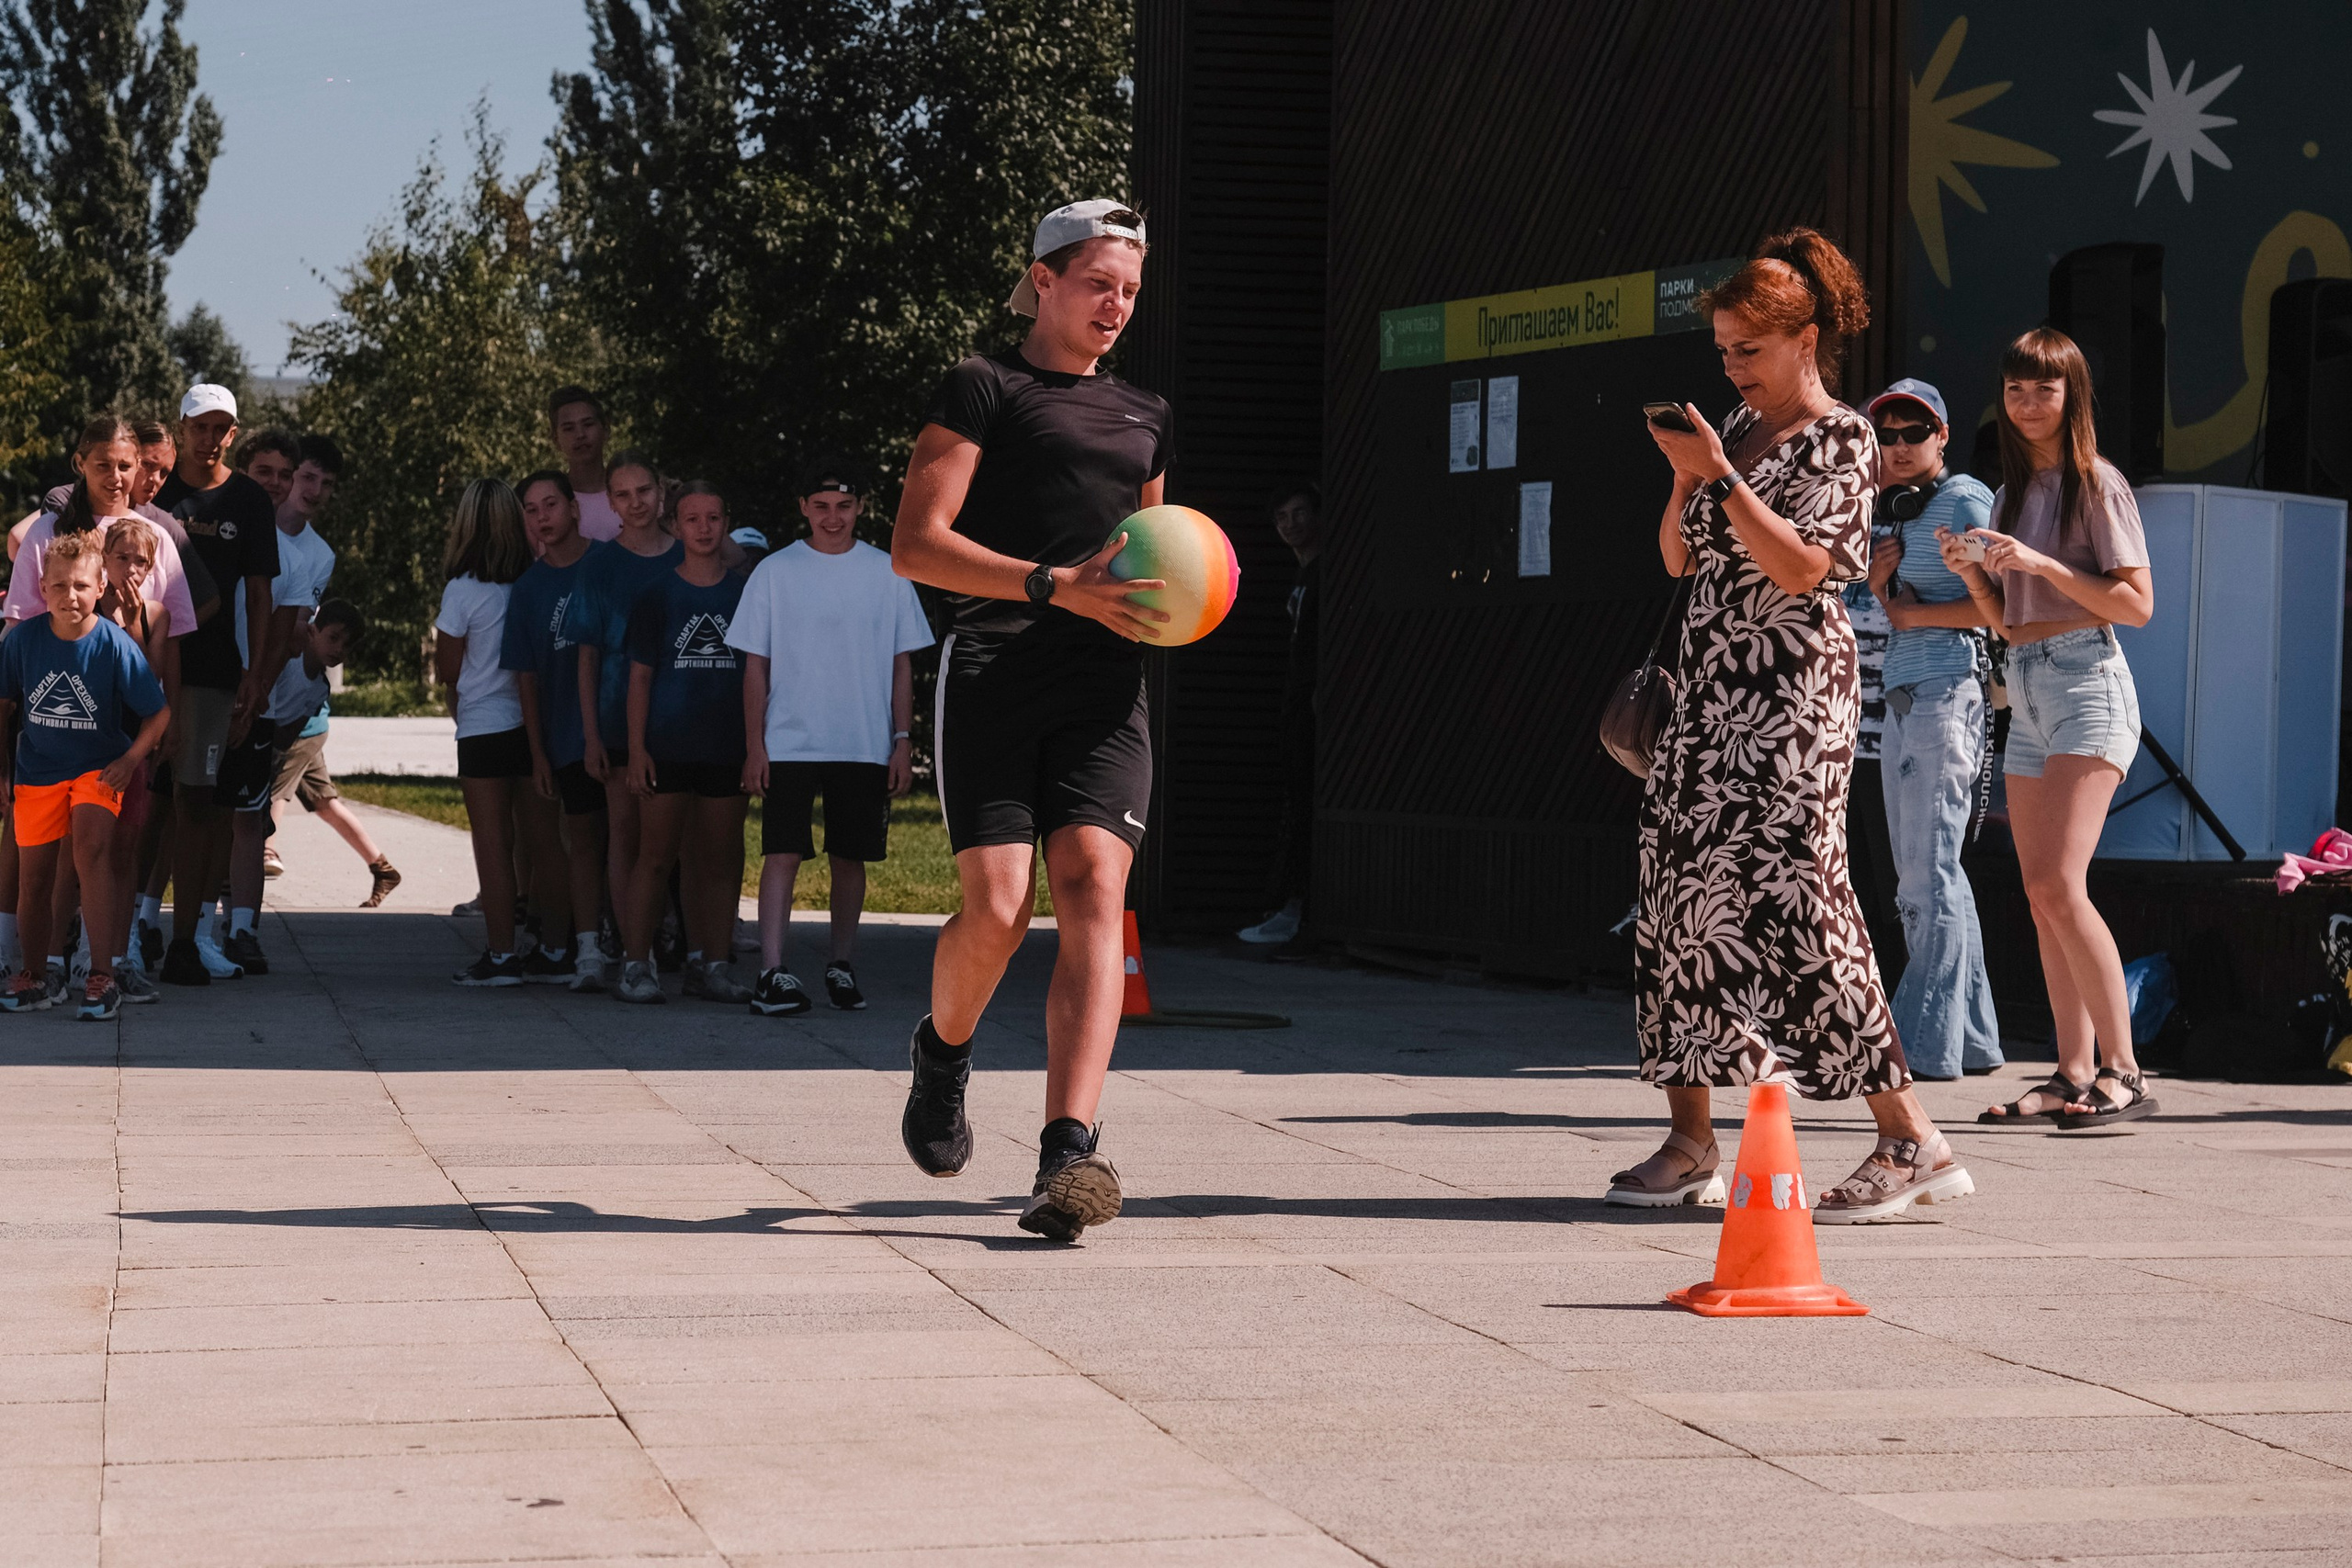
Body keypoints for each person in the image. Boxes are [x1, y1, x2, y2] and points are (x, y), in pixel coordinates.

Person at [1618, 227, 1973, 1224]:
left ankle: (1911, 1138)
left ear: (1803, 338)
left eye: (1748, 349)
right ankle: (1690, 1140)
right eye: (1724, 348)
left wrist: (1722, 480)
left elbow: (1808, 568)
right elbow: (1677, 562)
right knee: (1677, 903)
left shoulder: (1843, 437)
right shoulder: (1732, 424)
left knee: (1802, 904)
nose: (1732, 367)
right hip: (1703, 697)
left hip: (1787, 703)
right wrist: (1687, 473)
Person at [890, 198, 1173, 1243]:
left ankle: (1068, 1154)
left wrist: (1176, 600)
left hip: (1105, 681)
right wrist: (1053, 585)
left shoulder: (1145, 409)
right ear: (1043, 279)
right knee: (1001, 912)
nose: (1117, 305)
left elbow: (1153, 547)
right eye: (1100, 282)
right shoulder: (983, 386)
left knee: (1098, 886)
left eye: (1131, 290)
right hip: (999, 665)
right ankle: (944, 1050)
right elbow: (916, 544)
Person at [1950, 329, 2158, 1129]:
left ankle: (2125, 1069)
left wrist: (2038, 565)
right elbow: (2007, 623)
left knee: (2063, 887)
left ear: (2074, 396)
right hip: (2027, 684)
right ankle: (2073, 1071)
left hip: (2088, 684)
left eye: (2045, 388)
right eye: (2015, 389)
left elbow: (2136, 606)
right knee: (2040, 896)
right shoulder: (2008, 495)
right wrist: (1974, 569)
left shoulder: (2096, 483)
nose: (2028, 403)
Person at [731, 458, 932, 1016]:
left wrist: (900, 740)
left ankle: (841, 966)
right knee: (782, 852)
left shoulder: (888, 570)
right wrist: (755, 745)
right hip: (789, 741)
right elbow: (755, 666)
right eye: (821, 506)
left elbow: (901, 665)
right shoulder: (775, 571)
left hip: (864, 741)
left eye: (844, 506)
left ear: (862, 507)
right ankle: (771, 970)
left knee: (851, 857)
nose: (833, 517)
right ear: (803, 508)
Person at [1860, 378, 2004, 1082]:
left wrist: (1912, 613)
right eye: (1884, 436)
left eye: (1912, 432)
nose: (1897, 447)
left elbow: (2008, 608)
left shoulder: (1966, 498)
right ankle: (1971, 1039)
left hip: (1947, 694)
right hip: (1906, 698)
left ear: (1941, 435)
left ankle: (1922, 1042)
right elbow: (1898, 613)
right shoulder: (1891, 515)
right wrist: (1884, 587)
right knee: (1933, 873)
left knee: (1926, 878)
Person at [0, 531, 168, 1019]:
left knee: (90, 854)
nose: (68, 596)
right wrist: (3, 772)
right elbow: (4, 704)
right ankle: (35, 975)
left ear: (99, 589)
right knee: (34, 878)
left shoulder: (115, 645)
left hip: (98, 770)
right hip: (37, 772)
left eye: (79, 586)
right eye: (58, 586)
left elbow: (158, 714)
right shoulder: (23, 641)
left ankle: (101, 975)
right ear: (41, 587)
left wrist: (130, 760)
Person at [153, 384, 279, 987]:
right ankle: (128, 931)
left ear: (233, 433)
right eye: (200, 426)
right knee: (144, 803)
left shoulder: (250, 499)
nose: (210, 437)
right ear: (181, 427)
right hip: (145, 671)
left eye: (221, 428)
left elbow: (259, 592)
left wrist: (254, 673)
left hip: (212, 673)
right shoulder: (156, 490)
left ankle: (191, 937)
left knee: (200, 804)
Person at [616, 482, 752, 1004]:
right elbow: (640, 679)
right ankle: (635, 965)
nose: (703, 528)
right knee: (655, 857)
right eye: (692, 519)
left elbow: (758, 675)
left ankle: (712, 964)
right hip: (665, 748)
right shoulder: (657, 594)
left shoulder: (743, 595)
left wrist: (755, 746)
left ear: (725, 523)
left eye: (713, 518)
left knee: (720, 858)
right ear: (675, 526)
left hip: (727, 748)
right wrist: (636, 749)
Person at [433, 479, 567, 987]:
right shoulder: (535, 582)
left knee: (493, 844)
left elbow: (449, 669)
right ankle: (557, 948)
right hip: (537, 727)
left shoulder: (463, 589)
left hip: (483, 728)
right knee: (545, 843)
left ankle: (501, 954)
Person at [220, 434, 343, 975]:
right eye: (306, 476)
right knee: (191, 815)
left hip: (269, 700)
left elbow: (295, 633)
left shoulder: (312, 556)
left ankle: (241, 928)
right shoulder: (223, 529)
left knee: (250, 817)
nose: (306, 489)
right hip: (210, 688)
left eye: (323, 482)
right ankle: (158, 924)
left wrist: (262, 683)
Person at [565, 452, 681, 959]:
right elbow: (586, 658)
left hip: (684, 718)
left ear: (661, 493)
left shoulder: (689, 554)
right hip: (616, 716)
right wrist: (591, 736)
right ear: (609, 502)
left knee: (683, 841)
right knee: (626, 836)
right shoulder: (599, 565)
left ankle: (688, 942)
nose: (636, 503)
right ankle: (636, 946)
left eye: (644, 492)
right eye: (623, 494)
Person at [505, 470, 610, 988]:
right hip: (565, 735)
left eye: (550, 504)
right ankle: (586, 947)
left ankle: (644, 948)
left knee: (636, 845)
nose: (542, 516)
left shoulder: (610, 565)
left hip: (626, 731)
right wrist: (538, 754)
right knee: (585, 840)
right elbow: (525, 678)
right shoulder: (527, 589)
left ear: (574, 508)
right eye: (531, 509)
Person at [265, 598, 394, 908]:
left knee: (273, 791)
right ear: (312, 632)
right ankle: (382, 868)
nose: (338, 649)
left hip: (307, 734)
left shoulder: (318, 688)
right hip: (305, 733)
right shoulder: (288, 663)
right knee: (325, 805)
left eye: (346, 646)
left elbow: (284, 742)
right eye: (333, 638)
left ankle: (264, 850)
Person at [1238, 482, 1322, 951]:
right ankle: (1285, 908)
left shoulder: (1326, 576)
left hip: (1312, 706)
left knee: (1304, 806)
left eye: (1299, 513)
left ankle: (1295, 912)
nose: (1291, 525)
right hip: (1294, 704)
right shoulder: (1300, 578)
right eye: (1282, 518)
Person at [93, 520, 172, 1004]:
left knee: (124, 856)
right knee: (82, 857)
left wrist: (131, 622)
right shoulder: (85, 608)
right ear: (104, 561)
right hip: (85, 750)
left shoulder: (156, 615)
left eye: (140, 561)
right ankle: (79, 956)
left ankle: (120, 959)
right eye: (121, 558)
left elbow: (149, 680)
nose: (130, 569)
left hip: (131, 750)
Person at [548, 387, 623, 543]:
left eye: (588, 424)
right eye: (569, 429)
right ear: (556, 440)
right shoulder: (549, 505)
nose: (580, 435)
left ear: (605, 430)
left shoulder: (634, 494)